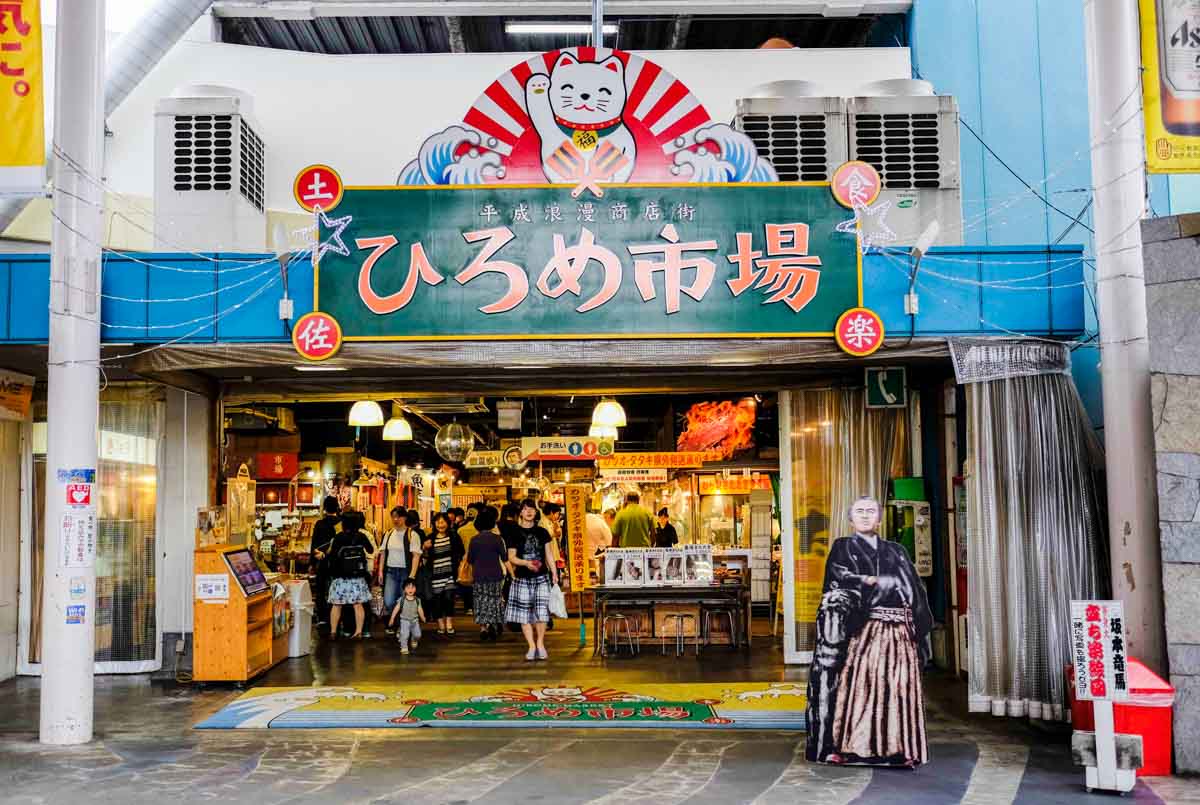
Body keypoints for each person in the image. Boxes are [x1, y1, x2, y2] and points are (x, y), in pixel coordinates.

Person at [806, 496, 932, 768]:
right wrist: (867, 581)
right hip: (866, 630)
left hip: (899, 634)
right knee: (863, 689)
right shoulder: (843, 547)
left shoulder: (896, 551)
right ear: (851, 519)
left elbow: (914, 590)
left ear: (879, 519)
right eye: (859, 512)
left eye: (871, 511)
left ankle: (897, 749)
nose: (865, 516)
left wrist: (921, 633)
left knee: (898, 688)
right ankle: (858, 748)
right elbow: (838, 579)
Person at [504, 498, 559, 661]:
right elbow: (511, 557)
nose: (529, 512)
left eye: (532, 509)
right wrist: (526, 563)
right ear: (521, 512)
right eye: (525, 509)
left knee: (542, 613)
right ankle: (531, 645)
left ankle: (540, 643)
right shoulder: (514, 532)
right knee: (524, 614)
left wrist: (554, 573)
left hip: (541, 576)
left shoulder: (542, 532)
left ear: (536, 512)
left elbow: (549, 554)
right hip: (522, 577)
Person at [326, 511, 374, 640]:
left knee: (337, 604)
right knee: (358, 605)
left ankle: (333, 632)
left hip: (341, 577)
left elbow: (332, 556)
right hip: (357, 577)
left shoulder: (339, 537)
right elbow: (371, 550)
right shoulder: (361, 536)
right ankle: (358, 632)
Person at [465, 505, 508, 641]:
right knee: (494, 599)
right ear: (492, 523)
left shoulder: (474, 540)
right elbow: (504, 558)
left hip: (479, 575)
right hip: (495, 574)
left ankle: (483, 627)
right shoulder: (497, 539)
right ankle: (494, 623)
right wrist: (512, 573)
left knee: (481, 600)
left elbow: (470, 559)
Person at [377, 506, 420, 633]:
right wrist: (380, 571)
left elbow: (416, 556)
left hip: (406, 572)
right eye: (393, 517)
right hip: (391, 571)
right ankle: (395, 622)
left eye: (398, 517)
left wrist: (412, 575)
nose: (395, 520)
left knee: (404, 601)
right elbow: (383, 553)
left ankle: (402, 626)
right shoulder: (389, 533)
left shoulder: (412, 534)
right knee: (389, 601)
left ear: (405, 518)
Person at [425, 511, 464, 636]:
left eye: (442, 522)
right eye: (437, 522)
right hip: (435, 575)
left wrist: (459, 569)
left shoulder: (454, 536)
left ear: (448, 523)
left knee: (448, 599)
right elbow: (424, 557)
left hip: (449, 574)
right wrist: (424, 547)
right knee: (437, 601)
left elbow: (461, 552)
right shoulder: (430, 538)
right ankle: (440, 624)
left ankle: (449, 623)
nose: (440, 524)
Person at [309, 495, 341, 626]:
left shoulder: (320, 524)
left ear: (325, 508)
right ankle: (337, 617)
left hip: (321, 560)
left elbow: (314, 544)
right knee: (337, 588)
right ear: (337, 507)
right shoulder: (340, 523)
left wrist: (312, 562)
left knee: (321, 588)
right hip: (337, 562)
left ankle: (322, 617)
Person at [388, 578, 425, 655]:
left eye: (412, 587)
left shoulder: (417, 600)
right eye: (408, 587)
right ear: (404, 589)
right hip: (404, 620)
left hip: (415, 620)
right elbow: (396, 609)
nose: (410, 589)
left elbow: (420, 609)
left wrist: (423, 617)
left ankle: (414, 639)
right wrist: (392, 618)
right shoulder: (402, 600)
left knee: (418, 635)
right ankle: (404, 647)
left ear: (416, 589)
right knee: (405, 634)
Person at [457, 503, 483, 614]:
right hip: (479, 559)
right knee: (478, 583)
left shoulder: (460, 530)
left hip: (465, 559)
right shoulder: (479, 530)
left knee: (466, 583)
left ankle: (469, 607)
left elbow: (459, 546)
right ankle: (477, 605)